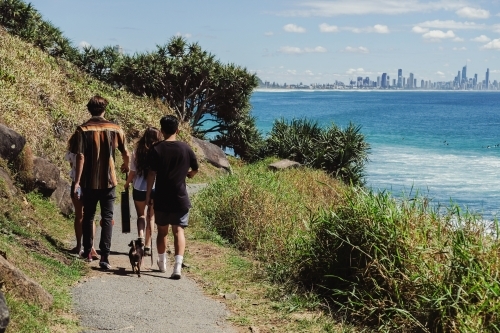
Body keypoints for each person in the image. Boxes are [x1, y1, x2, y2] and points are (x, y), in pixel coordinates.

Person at [70, 95, 129, 270]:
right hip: (109, 180)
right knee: (107, 217)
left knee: (88, 216)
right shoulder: (115, 129)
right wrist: (125, 166)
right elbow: (126, 152)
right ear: (104, 109)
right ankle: (105, 256)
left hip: (88, 180)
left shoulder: (82, 130)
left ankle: (88, 251)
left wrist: (77, 181)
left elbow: (80, 156)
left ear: (89, 109)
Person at [146, 115, 198, 279]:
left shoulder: (156, 149)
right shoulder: (186, 148)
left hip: (161, 196)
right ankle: (177, 267)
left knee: (162, 232)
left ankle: (162, 264)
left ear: (161, 130)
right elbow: (195, 168)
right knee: (178, 230)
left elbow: (151, 175)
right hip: (180, 197)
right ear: (178, 130)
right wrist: (189, 174)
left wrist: (148, 195)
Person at [124, 127, 162, 255]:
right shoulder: (158, 151)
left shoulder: (137, 151)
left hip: (139, 188)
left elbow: (133, 172)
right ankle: (147, 245)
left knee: (141, 215)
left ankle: (140, 235)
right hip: (154, 188)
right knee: (151, 217)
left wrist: (127, 183)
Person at [65, 135, 98, 259]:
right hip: (91, 183)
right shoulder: (92, 149)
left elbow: (71, 166)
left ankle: (79, 246)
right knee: (90, 215)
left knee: (79, 215)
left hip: (77, 183)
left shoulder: (73, 150)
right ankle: (92, 247)